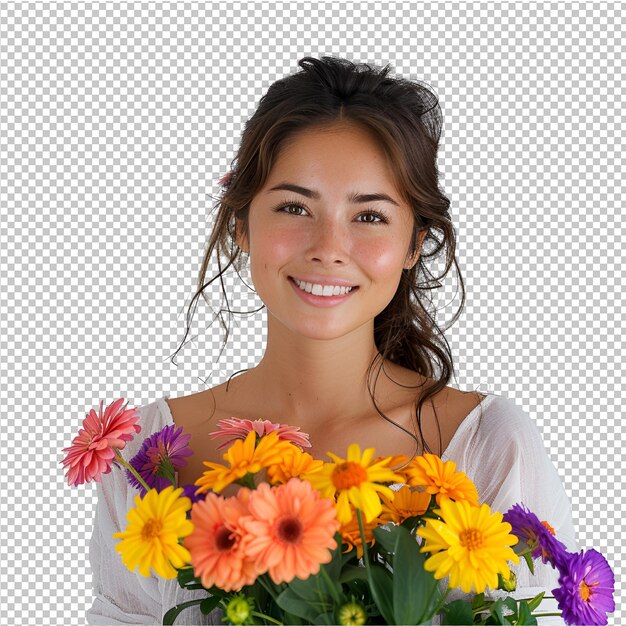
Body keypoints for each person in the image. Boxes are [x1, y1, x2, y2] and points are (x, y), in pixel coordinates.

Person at [86, 56, 577, 625]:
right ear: (241, 225)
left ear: (415, 243)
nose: (328, 247)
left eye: (368, 217)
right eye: (294, 207)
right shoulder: (151, 454)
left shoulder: (487, 445)